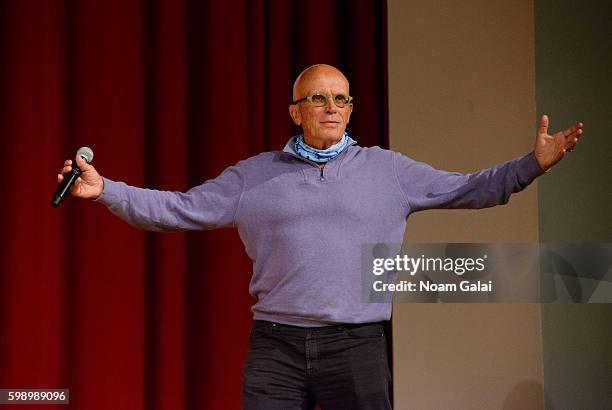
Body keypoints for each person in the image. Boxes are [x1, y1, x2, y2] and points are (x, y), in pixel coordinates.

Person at [57, 64, 583, 409]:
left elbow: (471, 188)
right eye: (317, 98)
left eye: (341, 98)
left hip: (356, 348)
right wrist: (107, 190)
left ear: (351, 109)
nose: (331, 107)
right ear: (295, 111)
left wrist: (530, 165)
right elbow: (177, 209)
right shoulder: (254, 176)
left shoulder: (387, 171)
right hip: (275, 348)